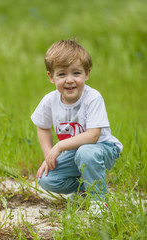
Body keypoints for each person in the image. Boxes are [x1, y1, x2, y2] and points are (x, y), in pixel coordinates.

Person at [31, 39, 123, 210]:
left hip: (102, 148)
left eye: (76, 73)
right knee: (46, 178)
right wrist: (49, 155)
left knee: (85, 152)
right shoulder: (50, 101)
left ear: (87, 74)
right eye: (62, 74)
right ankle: (85, 190)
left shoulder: (92, 98)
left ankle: (99, 203)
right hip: (73, 151)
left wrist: (59, 146)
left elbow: (93, 135)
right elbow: (42, 127)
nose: (69, 80)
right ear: (51, 77)